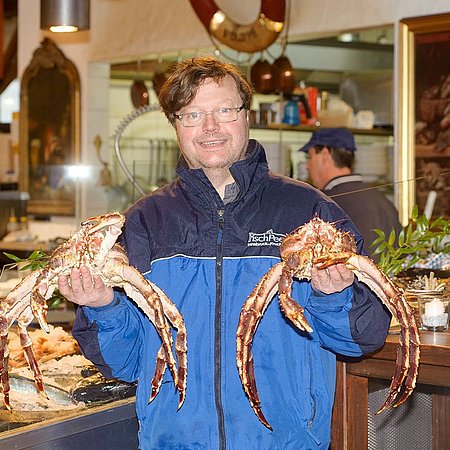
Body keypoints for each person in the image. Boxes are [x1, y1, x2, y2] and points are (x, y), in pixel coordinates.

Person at [60, 57, 391, 450]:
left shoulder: (308, 212)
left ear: (246, 116)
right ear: (176, 126)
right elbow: (126, 364)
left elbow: (363, 338)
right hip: (173, 442)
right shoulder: (144, 223)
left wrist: (333, 296)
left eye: (224, 110)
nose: (210, 127)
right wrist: (103, 306)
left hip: (284, 442)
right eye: (193, 114)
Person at [299, 128, 402, 261]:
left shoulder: (322, 204)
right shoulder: (383, 200)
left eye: (309, 156)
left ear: (325, 154)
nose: (307, 166)